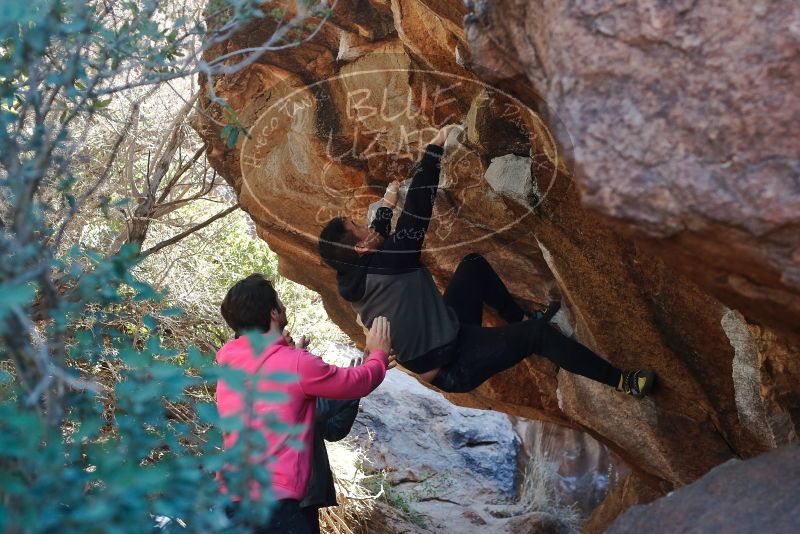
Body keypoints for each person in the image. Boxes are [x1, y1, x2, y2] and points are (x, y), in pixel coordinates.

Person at [318, 125, 655, 399]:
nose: (365, 227)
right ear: (361, 250)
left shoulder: (353, 274)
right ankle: (624, 381)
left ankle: (519, 317)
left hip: (449, 329)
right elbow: (418, 208)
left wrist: (387, 203)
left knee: (472, 264)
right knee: (538, 336)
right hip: (453, 363)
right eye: (358, 228)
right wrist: (435, 148)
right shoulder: (386, 263)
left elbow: (378, 239)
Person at [216, 274, 394, 533]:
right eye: (279, 301)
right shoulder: (296, 363)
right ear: (273, 313)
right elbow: (357, 383)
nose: (284, 306)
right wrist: (378, 354)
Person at [299, 395, 360, 533]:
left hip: (303, 492)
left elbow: (333, 430)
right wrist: (353, 384)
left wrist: (354, 393)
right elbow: (315, 409)